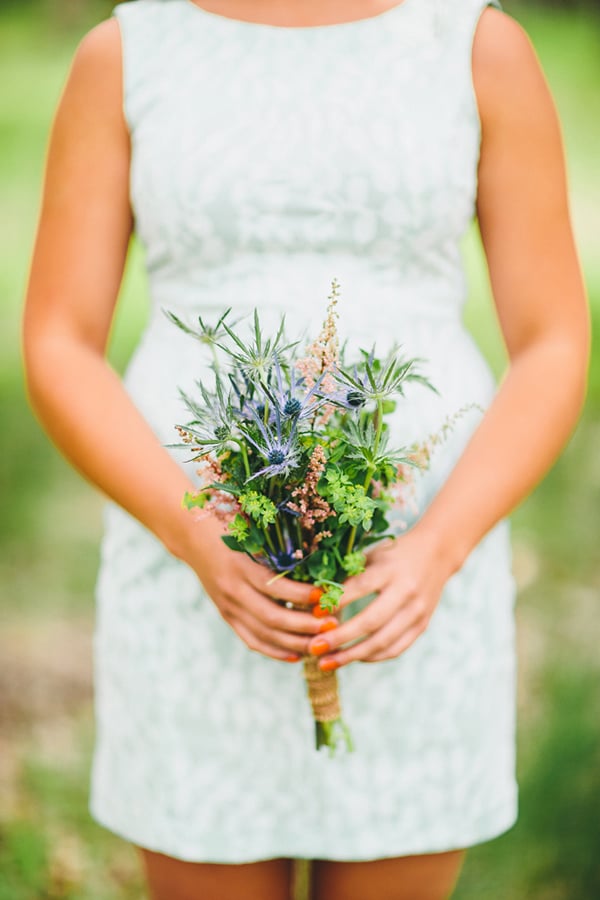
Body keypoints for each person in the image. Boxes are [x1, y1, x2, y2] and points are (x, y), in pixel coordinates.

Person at [22, 0, 589, 897]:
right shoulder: (128, 53)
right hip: (191, 577)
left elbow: (554, 338)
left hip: (412, 591)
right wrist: (195, 537)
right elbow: (58, 337)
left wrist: (438, 551)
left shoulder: (475, 44)